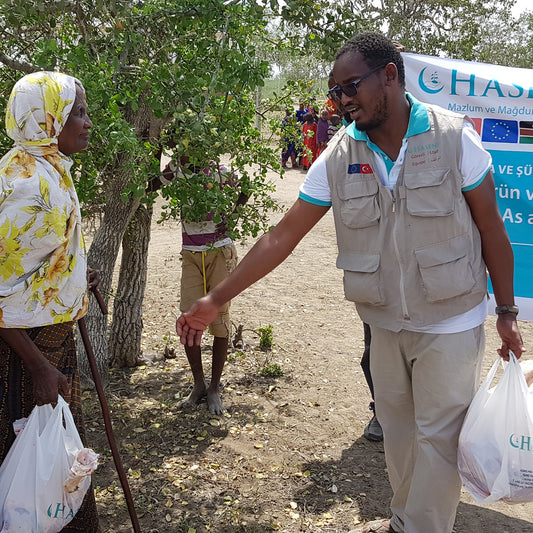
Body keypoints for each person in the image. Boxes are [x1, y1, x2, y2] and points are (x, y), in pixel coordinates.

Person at [177, 32, 525, 532]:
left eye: (350, 86)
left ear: (389, 75)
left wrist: (508, 313)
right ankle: (407, 519)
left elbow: (492, 227)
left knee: (438, 437)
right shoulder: (339, 155)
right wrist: (214, 299)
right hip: (383, 324)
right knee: (401, 434)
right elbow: (282, 237)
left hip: (452, 318)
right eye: (335, 91)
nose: (342, 100)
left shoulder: (453, 137)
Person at [0, 71, 99, 531]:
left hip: (49, 348)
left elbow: (34, 265)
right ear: (47, 119)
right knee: (30, 475)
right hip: (27, 356)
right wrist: (39, 367)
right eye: (77, 112)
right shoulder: (27, 189)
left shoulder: (45, 168)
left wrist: (74, 275)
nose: (88, 123)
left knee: (56, 469)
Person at [162, 157, 248, 415]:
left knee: (220, 319)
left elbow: (246, 186)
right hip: (190, 253)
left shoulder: (218, 170)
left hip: (219, 251)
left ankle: (214, 387)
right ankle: (198, 384)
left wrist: (232, 216)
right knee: (190, 318)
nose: (184, 150)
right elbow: (151, 184)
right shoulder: (176, 168)